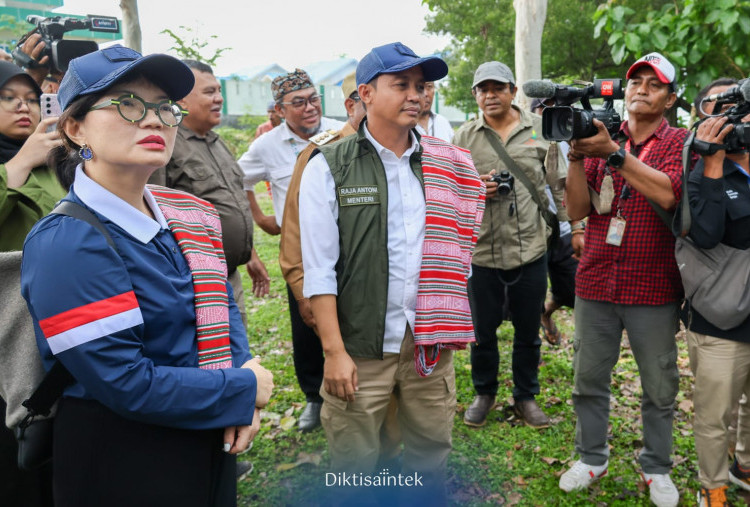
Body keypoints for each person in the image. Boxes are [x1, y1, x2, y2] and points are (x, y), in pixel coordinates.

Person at [20, 45, 273, 506]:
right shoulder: (67, 242)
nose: (154, 120)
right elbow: (125, 383)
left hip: (206, 432)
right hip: (126, 457)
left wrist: (242, 377)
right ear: (74, 129)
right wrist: (242, 388)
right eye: (128, 104)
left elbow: (219, 307)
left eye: (165, 108)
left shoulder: (187, 215)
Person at [299, 41, 485, 502]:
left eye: (422, 86)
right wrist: (334, 353)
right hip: (360, 345)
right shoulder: (330, 166)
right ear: (365, 93)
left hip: (428, 341)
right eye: (400, 84)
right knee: (356, 459)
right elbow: (319, 270)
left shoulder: (448, 164)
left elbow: (458, 250)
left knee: (430, 451)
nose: (416, 95)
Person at [559, 52, 687, 507]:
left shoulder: (679, 142)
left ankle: (656, 466)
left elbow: (670, 195)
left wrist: (615, 156)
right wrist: (576, 155)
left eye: (655, 85)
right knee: (588, 377)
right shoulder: (602, 136)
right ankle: (591, 456)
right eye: (636, 82)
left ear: (670, 98)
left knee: (659, 384)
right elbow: (577, 210)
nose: (641, 90)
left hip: (652, 284)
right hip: (596, 279)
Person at [453, 61, 568, 429]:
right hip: (482, 251)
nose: (490, 95)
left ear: (512, 91)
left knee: (527, 331)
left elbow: (559, 185)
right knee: (482, 333)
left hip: (531, 249)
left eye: (497, 88)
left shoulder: (539, 132)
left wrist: (574, 229)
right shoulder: (463, 137)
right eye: (482, 89)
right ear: (475, 95)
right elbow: (447, 192)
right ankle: (484, 393)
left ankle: (525, 396)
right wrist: (473, 189)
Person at [239, 68, 343, 432]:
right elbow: (236, 181)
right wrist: (260, 217)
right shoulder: (268, 146)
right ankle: (314, 398)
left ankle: (354, 387)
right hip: (299, 252)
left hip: (346, 245)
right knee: (307, 324)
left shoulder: (340, 131)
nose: (309, 108)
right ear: (281, 110)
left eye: (313, 99)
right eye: (298, 103)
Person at [148, 59, 270, 328]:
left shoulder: (216, 142)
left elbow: (232, 201)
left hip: (229, 276)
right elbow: (151, 215)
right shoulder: (166, 144)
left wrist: (249, 254)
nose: (219, 98)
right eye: (209, 92)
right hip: (194, 286)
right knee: (214, 362)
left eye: (218, 90)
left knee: (237, 354)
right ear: (180, 102)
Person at [683, 78, 750, 506]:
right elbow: (704, 235)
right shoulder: (701, 171)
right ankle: (714, 488)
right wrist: (712, 161)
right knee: (714, 416)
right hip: (720, 320)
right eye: (724, 111)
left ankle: (744, 465)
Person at [0, 60, 62, 507]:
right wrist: (18, 164)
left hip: (51, 325)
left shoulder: (52, 159)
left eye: (29, 98)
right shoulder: (25, 159)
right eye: (7, 98)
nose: (22, 106)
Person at [530, 97, 583, 345]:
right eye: (545, 108)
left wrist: (577, 226)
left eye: (557, 108)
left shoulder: (574, 138)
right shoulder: (527, 138)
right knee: (529, 294)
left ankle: (545, 314)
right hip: (534, 231)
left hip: (565, 229)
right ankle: (535, 335)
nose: (551, 113)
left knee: (571, 291)